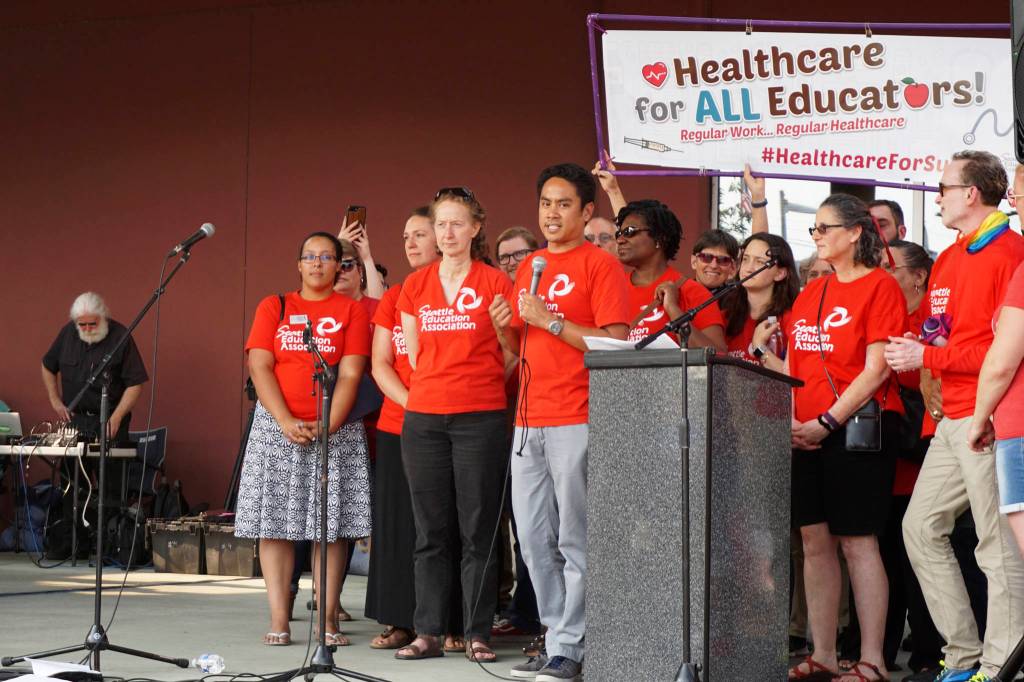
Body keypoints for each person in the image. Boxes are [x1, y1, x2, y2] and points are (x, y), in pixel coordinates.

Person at [886, 151, 1024, 682]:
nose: (937, 195)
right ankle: (963, 655)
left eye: (943, 188)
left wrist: (929, 358)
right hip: (950, 418)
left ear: (972, 194)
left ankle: (1000, 665)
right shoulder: (947, 257)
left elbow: (1002, 352)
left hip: (988, 419)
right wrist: (921, 352)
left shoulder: (1009, 252)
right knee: (919, 528)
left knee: (995, 543)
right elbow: (941, 332)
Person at [490, 163, 631, 682]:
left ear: (587, 210)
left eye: (563, 203)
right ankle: (556, 639)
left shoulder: (601, 265)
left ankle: (572, 645)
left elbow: (615, 341)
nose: (552, 213)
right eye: (545, 203)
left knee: (575, 539)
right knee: (531, 541)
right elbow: (521, 348)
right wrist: (507, 328)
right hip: (529, 418)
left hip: (577, 414)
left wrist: (550, 319)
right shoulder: (530, 268)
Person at [787, 193, 907, 682]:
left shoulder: (881, 287)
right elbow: (796, 365)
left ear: (855, 232)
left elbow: (877, 370)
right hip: (805, 431)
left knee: (858, 542)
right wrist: (795, 424)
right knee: (815, 542)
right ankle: (824, 654)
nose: (815, 236)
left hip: (855, 428)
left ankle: (873, 660)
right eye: (813, 229)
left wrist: (828, 422)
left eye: (823, 227)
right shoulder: (809, 292)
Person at [395, 187, 515, 664]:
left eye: (456, 223)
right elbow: (415, 355)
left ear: (475, 228)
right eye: (440, 224)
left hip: (480, 417)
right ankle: (427, 632)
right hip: (424, 417)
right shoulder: (415, 285)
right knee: (430, 530)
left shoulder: (494, 282)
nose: (447, 233)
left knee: (478, 529)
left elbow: (511, 350)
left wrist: (474, 381)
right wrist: (437, 388)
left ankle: (477, 632)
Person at [235, 231, 372, 647]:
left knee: (329, 529)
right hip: (276, 430)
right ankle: (280, 619)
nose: (317, 263)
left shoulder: (352, 311)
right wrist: (284, 420)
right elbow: (260, 365)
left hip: (336, 431)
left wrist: (327, 424)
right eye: (309, 256)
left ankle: (327, 621)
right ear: (298, 264)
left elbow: (350, 373)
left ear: (340, 266)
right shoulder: (274, 305)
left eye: (327, 257)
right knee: (274, 525)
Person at [365, 206, 465, 653]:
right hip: (397, 425)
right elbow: (381, 363)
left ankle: (452, 622)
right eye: (406, 235)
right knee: (399, 527)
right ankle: (401, 620)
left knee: (450, 525)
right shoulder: (395, 295)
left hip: (454, 426)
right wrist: (414, 404)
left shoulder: (461, 290)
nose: (409, 242)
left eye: (419, 234)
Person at [614, 199, 725, 350]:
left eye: (629, 232)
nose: (620, 240)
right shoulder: (612, 290)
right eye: (618, 233)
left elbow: (717, 356)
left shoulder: (694, 293)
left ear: (660, 238)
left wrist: (673, 309)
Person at [42, 292, 147, 445]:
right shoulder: (67, 333)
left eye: (92, 324)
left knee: (109, 468)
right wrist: (55, 400)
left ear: (103, 317)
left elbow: (135, 383)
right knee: (71, 468)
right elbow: (48, 365)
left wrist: (117, 416)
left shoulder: (120, 336)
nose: (87, 329)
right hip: (75, 420)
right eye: (82, 325)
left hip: (109, 421)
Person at [721, 233, 798, 372]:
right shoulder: (725, 317)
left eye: (760, 262)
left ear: (780, 273)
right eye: (745, 259)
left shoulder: (792, 320)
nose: (748, 268)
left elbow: (796, 379)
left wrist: (759, 348)